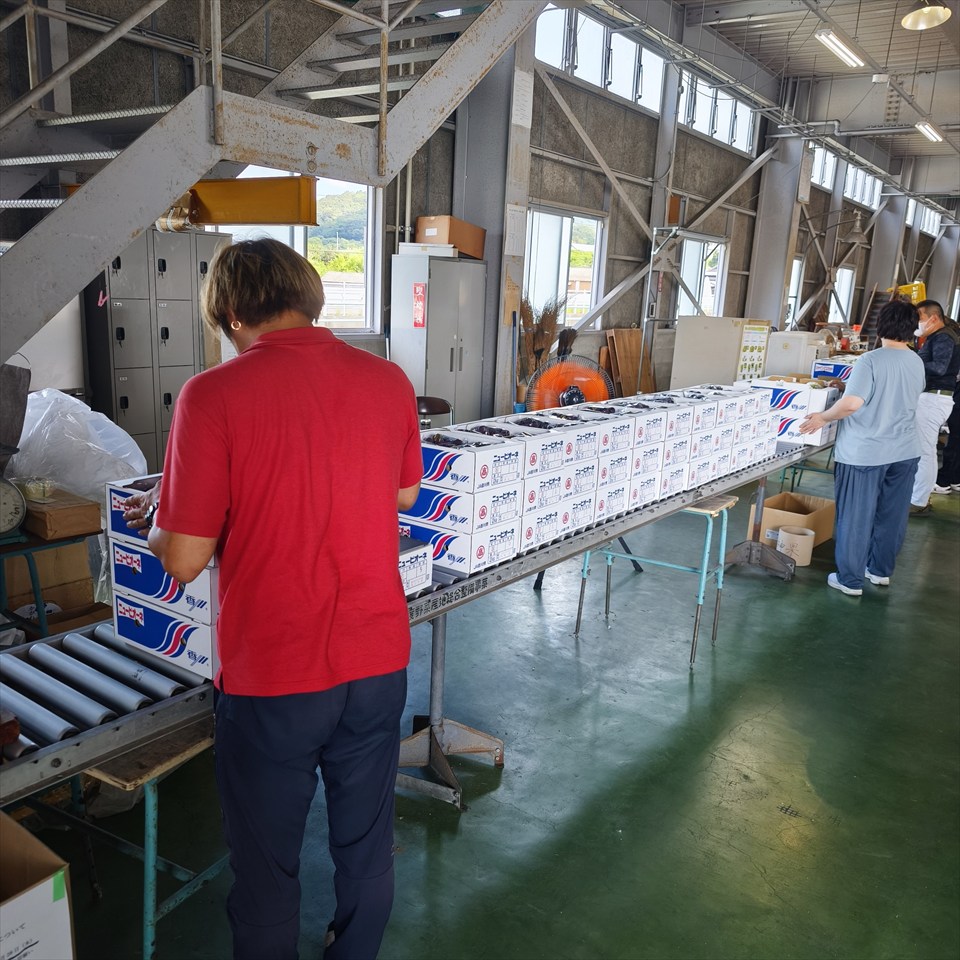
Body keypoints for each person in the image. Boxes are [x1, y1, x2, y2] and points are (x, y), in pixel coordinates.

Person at [122, 238, 422, 960]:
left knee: (266, 869)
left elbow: (185, 559)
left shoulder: (212, 395)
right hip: (377, 657)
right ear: (307, 297)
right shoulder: (387, 380)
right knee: (365, 843)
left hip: (275, 676)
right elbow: (405, 492)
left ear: (231, 314)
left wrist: (163, 519)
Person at [799, 300, 924, 596]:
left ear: (881, 325)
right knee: (892, 515)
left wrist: (822, 417)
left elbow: (852, 405)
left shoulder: (870, 360)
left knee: (856, 516)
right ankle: (879, 571)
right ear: (912, 329)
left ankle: (850, 580)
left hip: (865, 452)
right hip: (905, 450)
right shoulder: (916, 360)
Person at [909, 299, 960, 514]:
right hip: (931, 396)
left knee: (925, 451)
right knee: (924, 448)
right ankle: (919, 495)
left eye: (919, 317)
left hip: (934, 398)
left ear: (934, 317)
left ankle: (919, 500)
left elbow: (939, 367)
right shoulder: (936, 337)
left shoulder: (943, 337)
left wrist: (911, 360)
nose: (917, 322)